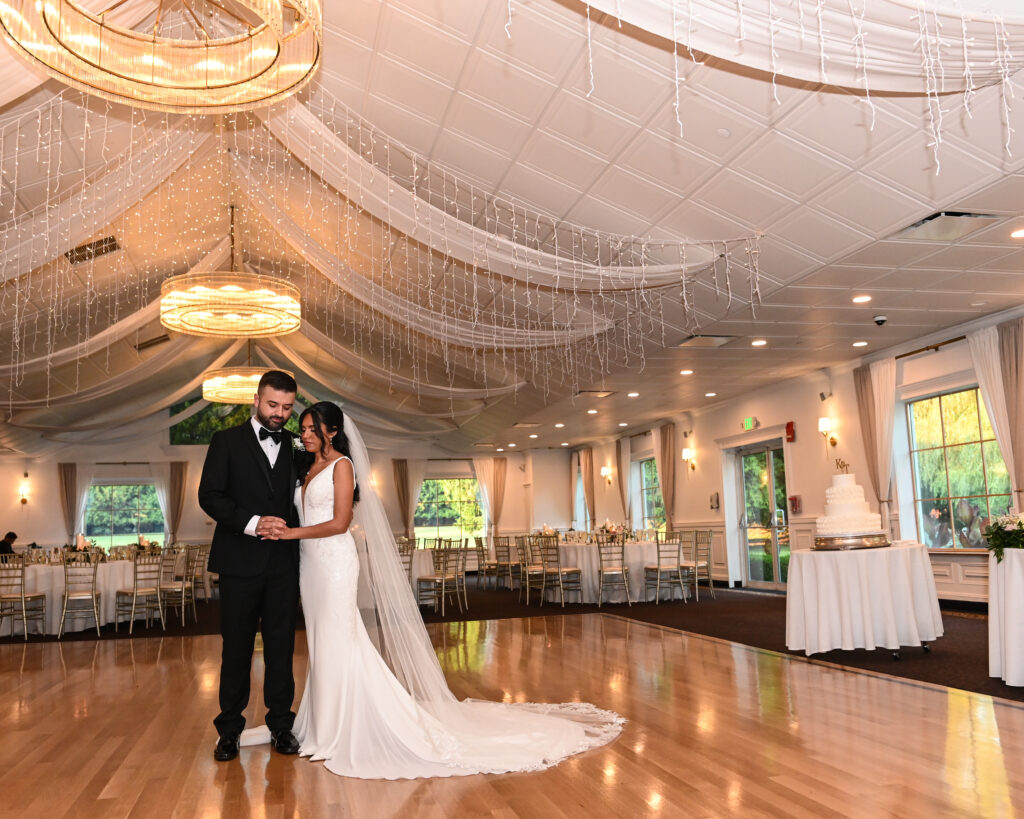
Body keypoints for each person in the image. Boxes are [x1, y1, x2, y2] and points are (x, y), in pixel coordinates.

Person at [248, 401, 623, 779]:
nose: (306, 435)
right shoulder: (306, 467)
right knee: (321, 639)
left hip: (334, 563)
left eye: (313, 428)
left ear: (331, 430)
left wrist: (291, 533)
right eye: (304, 429)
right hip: (310, 566)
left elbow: (341, 522)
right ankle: (320, 723)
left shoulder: (342, 466)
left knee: (338, 638)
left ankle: (344, 726)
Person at [197, 370, 303, 763]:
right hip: (238, 563)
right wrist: (252, 522)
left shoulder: (297, 444)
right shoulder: (225, 441)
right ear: (256, 401)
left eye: (287, 407)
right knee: (236, 649)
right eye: (273, 405)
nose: (279, 414)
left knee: (282, 647)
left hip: (284, 566)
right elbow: (209, 496)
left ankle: (281, 725)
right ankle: (228, 730)